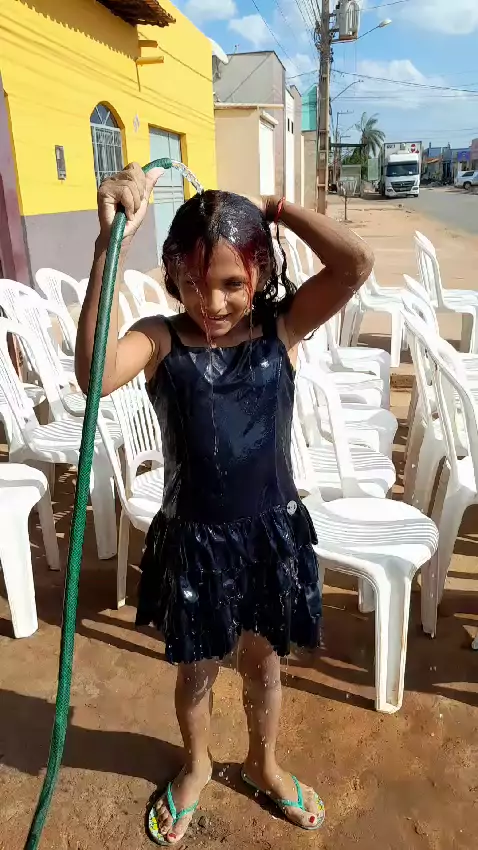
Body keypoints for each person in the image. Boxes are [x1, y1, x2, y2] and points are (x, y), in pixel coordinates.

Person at [76, 163, 373, 846]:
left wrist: (277, 209)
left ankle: (263, 761)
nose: (210, 302)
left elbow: (354, 265)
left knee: (264, 663)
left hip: (269, 536)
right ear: (171, 277)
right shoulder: (160, 339)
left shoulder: (282, 330)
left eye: (231, 283)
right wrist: (107, 247)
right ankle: (198, 763)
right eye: (190, 281)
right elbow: (94, 373)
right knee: (198, 670)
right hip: (196, 541)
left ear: (261, 274)